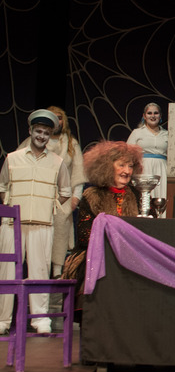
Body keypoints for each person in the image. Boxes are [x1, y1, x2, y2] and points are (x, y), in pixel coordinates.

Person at [0, 109, 71, 335]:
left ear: (50, 135)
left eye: (46, 133)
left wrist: (47, 206)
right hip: (12, 225)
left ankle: (40, 319)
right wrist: (12, 207)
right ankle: (2, 320)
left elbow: (65, 191)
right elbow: (2, 187)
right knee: (6, 272)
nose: (41, 136)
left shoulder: (57, 162)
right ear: (30, 131)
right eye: (38, 131)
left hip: (42, 224)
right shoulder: (13, 158)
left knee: (40, 270)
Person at [65, 141, 143, 314]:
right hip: (97, 253)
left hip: (131, 253)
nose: (127, 171)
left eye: (130, 166)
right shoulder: (92, 195)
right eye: (121, 165)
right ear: (107, 166)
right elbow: (85, 236)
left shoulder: (137, 195)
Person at [16, 106, 86, 277]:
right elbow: (17, 165)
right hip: (38, 194)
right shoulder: (31, 142)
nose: (57, 121)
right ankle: (34, 271)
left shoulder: (71, 144)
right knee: (35, 233)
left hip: (62, 197)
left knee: (59, 233)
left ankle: (56, 271)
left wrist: (75, 197)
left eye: (59, 117)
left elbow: (78, 171)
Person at [127, 102, 168, 201]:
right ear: (144, 116)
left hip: (162, 168)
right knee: (145, 197)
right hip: (144, 167)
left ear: (160, 116)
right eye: (149, 113)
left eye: (156, 113)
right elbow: (127, 152)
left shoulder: (167, 134)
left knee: (162, 194)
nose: (153, 116)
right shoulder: (137, 132)